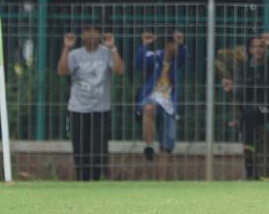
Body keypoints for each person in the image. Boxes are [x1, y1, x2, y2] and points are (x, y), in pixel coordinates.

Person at [56, 25, 125, 181]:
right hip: (78, 108)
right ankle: (82, 179)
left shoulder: (107, 53)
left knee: (99, 148)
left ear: (100, 34)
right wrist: (66, 48)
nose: (91, 34)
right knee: (80, 148)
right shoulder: (75, 54)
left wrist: (113, 47)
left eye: (95, 31)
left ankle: (97, 179)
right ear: (82, 34)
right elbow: (61, 71)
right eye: (87, 31)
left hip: (101, 109)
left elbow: (120, 71)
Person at [223, 33, 269, 180]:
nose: (258, 50)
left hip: (265, 108)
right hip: (247, 111)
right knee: (248, 113)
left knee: (248, 114)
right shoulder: (243, 67)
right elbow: (238, 91)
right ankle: (251, 171)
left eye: (262, 47)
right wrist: (232, 87)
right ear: (250, 49)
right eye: (255, 47)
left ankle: (248, 145)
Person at [134, 30, 187, 167]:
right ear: (167, 44)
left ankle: (162, 182)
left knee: (166, 147)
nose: (174, 47)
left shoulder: (177, 60)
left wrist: (182, 44)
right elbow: (140, 64)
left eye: (176, 44)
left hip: (169, 104)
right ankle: (149, 145)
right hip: (152, 97)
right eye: (172, 43)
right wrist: (144, 45)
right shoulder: (155, 56)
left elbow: (183, 57)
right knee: (149, 108)